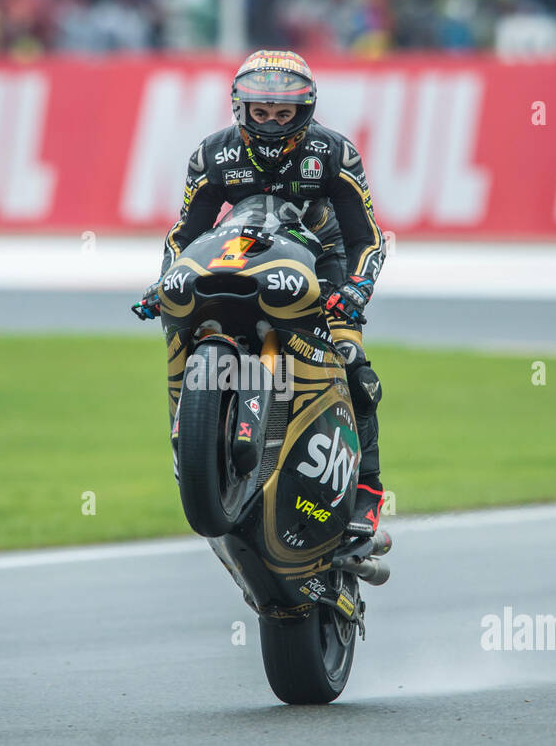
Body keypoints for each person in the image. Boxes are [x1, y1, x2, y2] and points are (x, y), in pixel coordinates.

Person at [133, 49, 387, 537]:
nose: (271, 123)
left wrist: (356, 289)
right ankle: (200, 443)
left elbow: (367, 236)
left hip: (321, 258)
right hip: (238, 253)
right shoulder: (212, 154)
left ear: (304, 111)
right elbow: (184, 234)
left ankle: (370, 494)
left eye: (283, 114)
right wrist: (163, 282)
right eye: (262, 113)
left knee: (354, 362)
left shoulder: (334, 152)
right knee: (188, 322)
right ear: (242, 109)